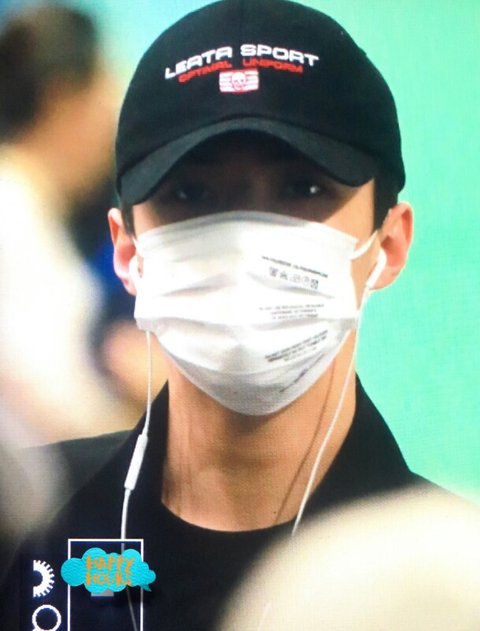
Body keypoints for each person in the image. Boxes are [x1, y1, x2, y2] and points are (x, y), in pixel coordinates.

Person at [1, 1, 450, 629]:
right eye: (191, 193)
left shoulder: (449, 585)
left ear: (390, 244)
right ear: (128, 252)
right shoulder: (27, 538)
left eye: (302, 188)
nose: (243, 241)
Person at [0, 4, 135, 443]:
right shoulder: (12, 212)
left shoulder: (30, 209)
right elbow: (49, 400)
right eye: (106, 95)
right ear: (63, 101)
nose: (113, 126)